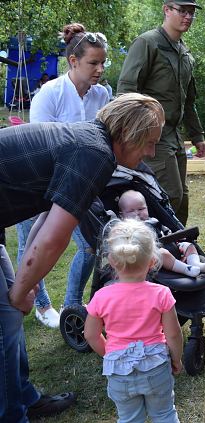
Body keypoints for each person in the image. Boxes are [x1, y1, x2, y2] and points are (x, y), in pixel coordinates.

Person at [0, 93, 164, 422]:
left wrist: (25, 284)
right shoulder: (95, 153)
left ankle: (24, 399)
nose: (151, 152)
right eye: (149, 142)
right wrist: (20, 292)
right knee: (4, 321)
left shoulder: (89, 139)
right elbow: (54, 239)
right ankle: (11, 414)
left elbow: (45, 218)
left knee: (9, 317)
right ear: (129, 135)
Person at [20, 23, 110, 328]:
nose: (99, 69)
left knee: (89, 244)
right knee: (31, 242)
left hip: (79, 183)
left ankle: (72, 304)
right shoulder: (50, 93)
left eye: (102, 62)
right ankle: (40, 303)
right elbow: (37, 145)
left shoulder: (102, 95)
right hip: (36, 181)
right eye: (93, 63)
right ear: (73, 61)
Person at [118, 0, 205, 226]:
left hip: (175, 137)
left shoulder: (184, 53)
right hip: (151, 137)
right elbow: (126, 92)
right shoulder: (148, 43)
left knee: (182, 198)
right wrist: (134, 136)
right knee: (169, 195)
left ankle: (176, 245)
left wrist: (198, 137)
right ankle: (150, 245)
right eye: (182, 11)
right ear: (166, 9)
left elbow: (189, 102)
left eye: (192, 12)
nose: (188, 17)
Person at [84, 219, 183, 422]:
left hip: (120, 374)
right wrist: (176, 359)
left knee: (129, 418)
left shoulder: (101, 297)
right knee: (165, 414)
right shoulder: (161, 294)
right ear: (152, 262)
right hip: (156, 367)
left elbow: (91, 335)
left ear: (111, 260)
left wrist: (110, 354)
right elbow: (173, 334)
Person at [118, 189, 205, 277]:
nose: (137, 213)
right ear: (122, 215)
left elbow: (165, 231)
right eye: (131, 211)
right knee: (162, 253)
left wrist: (176, 235)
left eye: (141, 209)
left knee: (188, 246)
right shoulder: (127, 229)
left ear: (147, 208)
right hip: (154, 255)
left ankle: (195, 263)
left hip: (171, 246)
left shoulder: (153, 221)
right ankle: (187, 269)